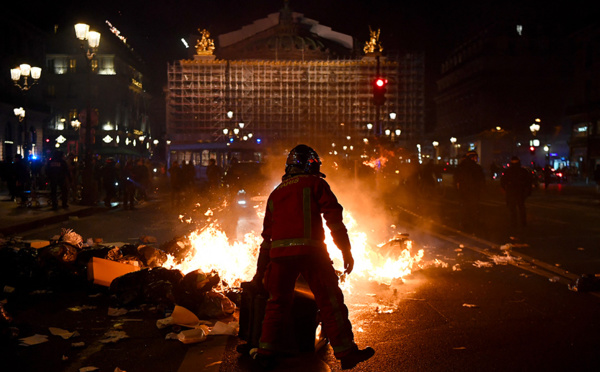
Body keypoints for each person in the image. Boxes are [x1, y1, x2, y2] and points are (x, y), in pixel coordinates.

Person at [251, 144, 375, 370]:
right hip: (312, 254)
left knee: (276, 303)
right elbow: (334, 220)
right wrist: (345, 250)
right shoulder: (317, 184)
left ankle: (264, 353)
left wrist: (260, 271)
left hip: (278, 257)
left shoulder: (275, 193)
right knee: (330, 301)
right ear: (310, 165)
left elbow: (266, 237)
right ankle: (346, 352)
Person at [453, 150, 485, 232]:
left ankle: (464, 224)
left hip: (463, 192)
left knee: (464, 208)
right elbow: (481, 180)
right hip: (473, 192)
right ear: (473, 157)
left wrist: (457, 190)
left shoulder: (460, 167)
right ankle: (474, 225)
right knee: (474, 208)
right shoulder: (477, 167)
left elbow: (455, 180)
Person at [500, 156, 533, 228]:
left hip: (511, 192)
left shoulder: (508, 171)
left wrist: (504, 190)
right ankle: (523, 223)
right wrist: (527, 192)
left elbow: (502, 182)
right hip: (520, 192)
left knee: (512, 209)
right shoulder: (523, 171)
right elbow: (528, 182)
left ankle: (513, 223)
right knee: (521, 208)